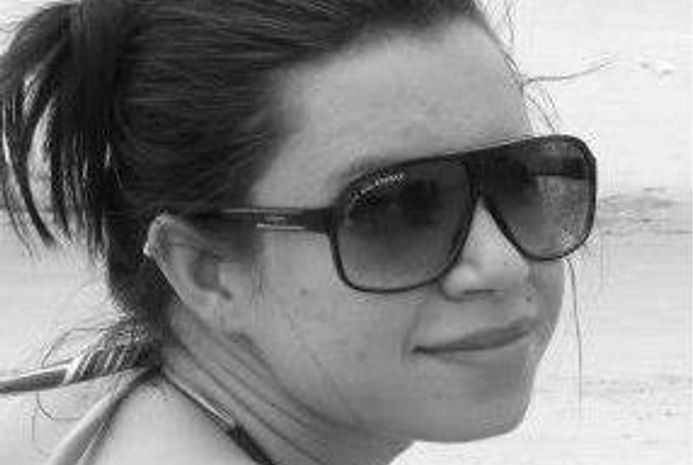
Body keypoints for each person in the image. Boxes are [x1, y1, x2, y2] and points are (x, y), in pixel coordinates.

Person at [0, 0, 597, 464]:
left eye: (521, 180)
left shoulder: (84, 410)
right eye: (395, 209)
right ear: (206, 272)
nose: (502, 264)